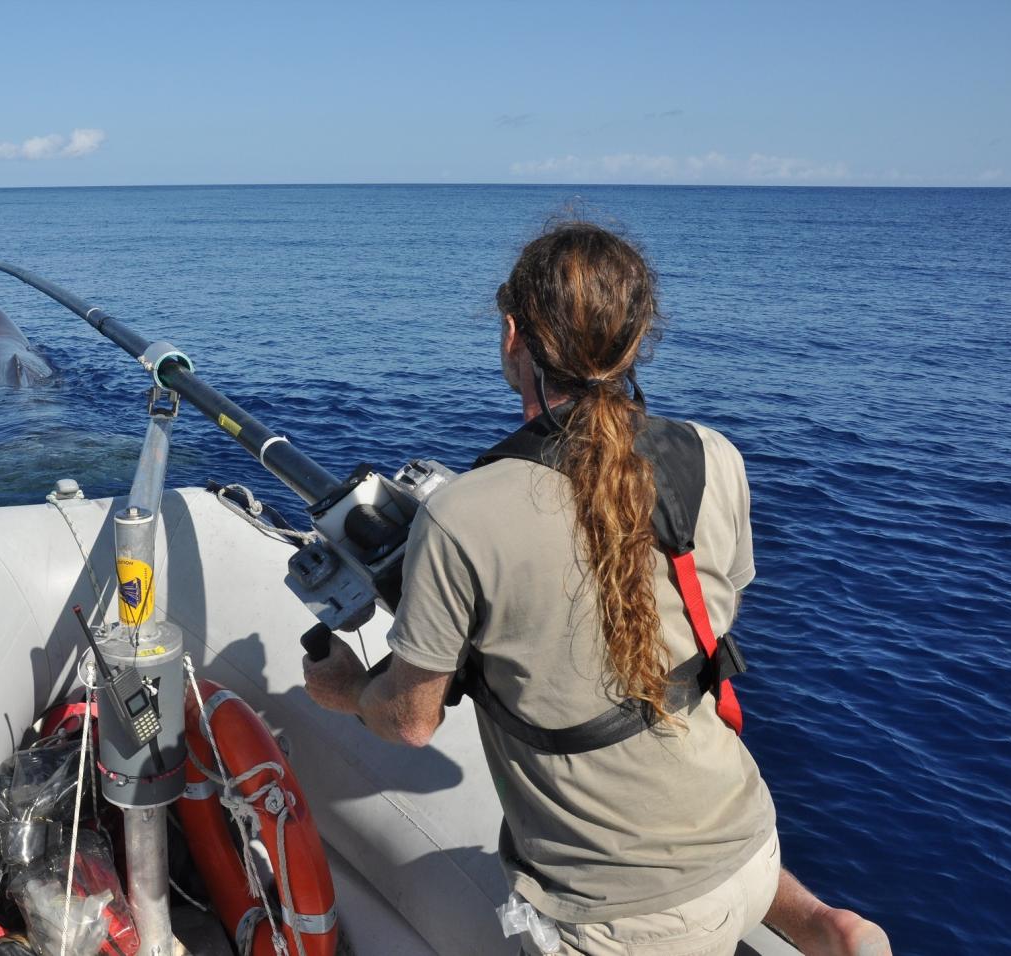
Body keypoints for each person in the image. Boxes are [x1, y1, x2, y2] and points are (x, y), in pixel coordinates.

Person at [302, 222, 890, 956]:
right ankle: (838, 930)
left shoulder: (466, 516)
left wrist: (347, 691)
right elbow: (714, 607)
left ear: (513, 334)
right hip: (752, 851)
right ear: (635, 339)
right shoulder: (715, 455)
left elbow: (411, 721)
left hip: (618, 920)